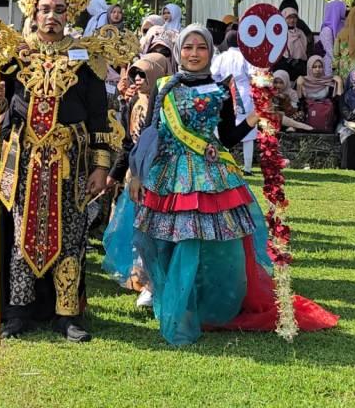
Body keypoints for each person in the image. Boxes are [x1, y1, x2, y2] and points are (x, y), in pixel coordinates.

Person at [127, 24, 337, 346]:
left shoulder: (221, 87)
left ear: (211, 52)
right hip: (169, 175)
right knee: (167, 240)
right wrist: (137, 172)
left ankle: (208, 304)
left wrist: (256, 117)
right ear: (179, 51)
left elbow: (226, 136)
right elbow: (150, 133)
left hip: (210, 175)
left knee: (212, 244)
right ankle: (168, 295)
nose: (194, 53)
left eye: (201, 47)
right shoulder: (164, 86)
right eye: (188, 47)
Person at [0, 0, 125, 342]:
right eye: (44, 9)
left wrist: (101, 167)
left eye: (58, 9)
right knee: (22, 236)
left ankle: (67, 315)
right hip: (25, 161)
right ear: (33, 12)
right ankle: (18, 312)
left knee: (71, 237)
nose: (51, 16)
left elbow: (100, 119)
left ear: (69, 12)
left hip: (71, 162)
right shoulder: (15, 56)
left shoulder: (85, 59)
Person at [103, 53, 169, 307]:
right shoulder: (133, 103)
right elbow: (129, 143)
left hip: (163, 176)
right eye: (135, 74)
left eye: (144, 73)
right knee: (135, 229)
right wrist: (115, 174)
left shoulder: (169, 103)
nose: (138, 79)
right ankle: (141, 279)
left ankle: (155, 283)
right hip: (136, 176)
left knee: (157, 230)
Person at [211, 30, 257, 174]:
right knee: (248, 131)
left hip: (225, 93)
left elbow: (213, 75)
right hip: (244, 93)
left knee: (223, 129)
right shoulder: (246, 57)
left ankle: (222, 163)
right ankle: (248, 167)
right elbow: (254, 74)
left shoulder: (221, 57)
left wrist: (223, 81)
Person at [297, 54, 342, 132]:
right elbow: (300, 101)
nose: (317, 69)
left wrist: (340, 82)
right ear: (309, 67)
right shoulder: (303, 81)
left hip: (325, 121)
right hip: (307, 120)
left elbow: (337, 102)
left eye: (320, 66)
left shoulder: (328, 82)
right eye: (314, 67)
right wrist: (298, 85)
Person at [277, 4, 309, 79]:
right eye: (289, 17)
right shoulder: (279, 33)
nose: (292, 20)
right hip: (284, 66)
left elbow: (304, 49)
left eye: (294, 17)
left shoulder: (300, 33)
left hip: (300, 66)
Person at [318, 0, 346, 73]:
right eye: (342, 9)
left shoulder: (342, 25)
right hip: (329, 66)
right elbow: (329, 51)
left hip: (341, 65)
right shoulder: (327, 30)